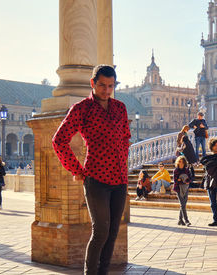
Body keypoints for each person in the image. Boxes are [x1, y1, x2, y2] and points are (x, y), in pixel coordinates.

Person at [52, 65, 130, 275]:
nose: (106, 90)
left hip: (120, 178)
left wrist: (123, 158)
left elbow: (126, 137)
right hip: (96, 178)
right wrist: (76, 169)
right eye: (102, 85)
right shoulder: (81, 109)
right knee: (101, 231)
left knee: (113, 232)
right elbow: (59, 140)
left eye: (111, 86)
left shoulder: (120, 107)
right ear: (92, 83)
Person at [201, 138, 217, 227]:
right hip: (210, 182)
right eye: (215, 145)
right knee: (213, 203)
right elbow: (204, 163)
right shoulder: (207, 156)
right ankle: (215, 220)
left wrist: (213, 162)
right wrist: (216, 162)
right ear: (212, 146)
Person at [173, 156, 192, 226]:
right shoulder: (176, 171)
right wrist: (183, 180)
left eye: (182, 161)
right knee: (183, 204)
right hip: (178, 189)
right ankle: (186, 220)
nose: (181, 163)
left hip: (186, 188)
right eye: (179, 161)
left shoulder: (187, 170)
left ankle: (180, 220)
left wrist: (185, 180)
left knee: (183, 205)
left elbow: (190, 178)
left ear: (184, 162)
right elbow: (175, 181)